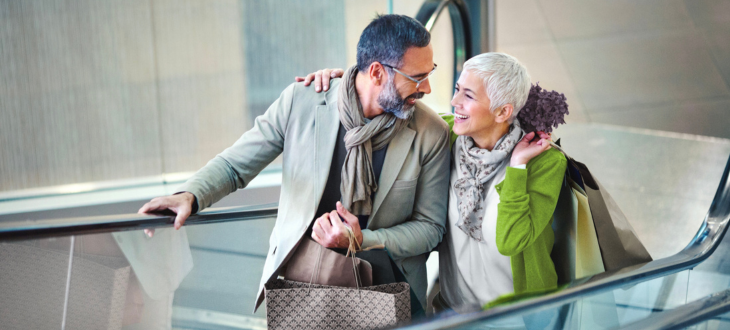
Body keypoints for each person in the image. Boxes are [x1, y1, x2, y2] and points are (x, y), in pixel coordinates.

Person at [138, 14, 450, 311]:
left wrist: (364, 240)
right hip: (303, 283)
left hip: (388, 287)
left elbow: (431, 227)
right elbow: (236, 165)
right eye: (417, 78)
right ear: (378, 72)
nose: (427, 88)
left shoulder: (431, 132)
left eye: (429, 73)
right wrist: (189, 195)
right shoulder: (302, 101)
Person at [299, 52, 566, 313]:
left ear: (503, 111)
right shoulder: (444, 136)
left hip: (522, 316)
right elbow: (385, 103)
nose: (454, 101)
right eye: (457, 89)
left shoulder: (544, 162)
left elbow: (510, 241)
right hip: (453, 312)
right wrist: (343, 84)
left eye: (468, 95)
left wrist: (517, 167)